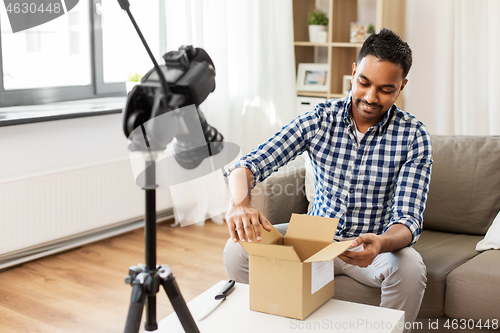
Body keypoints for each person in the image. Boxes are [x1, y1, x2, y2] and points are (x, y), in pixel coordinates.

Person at [223, 28, 432, 332]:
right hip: (312, 240)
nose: (371, 98)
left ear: (402, 86)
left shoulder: (414, 136)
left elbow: (408, 219)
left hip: (368, 246)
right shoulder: (320, 118)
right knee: (236, 247)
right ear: (353, 72)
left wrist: (382, 242)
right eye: (363, 82)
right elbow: (247, 166)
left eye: (386, 89)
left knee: (411, 269)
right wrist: (239, 204)